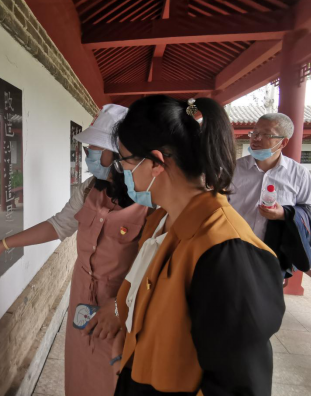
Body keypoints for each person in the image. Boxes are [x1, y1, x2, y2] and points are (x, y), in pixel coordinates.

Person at [100, 95, 285, 395]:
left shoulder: (227, 251)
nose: (123, 172)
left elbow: (237, 384)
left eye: (126, 161)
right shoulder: (161, 222)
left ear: (156, 162)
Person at [0, 104, 149, 396]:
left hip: (119, 310)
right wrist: (3, 244)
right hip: (82, 300)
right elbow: (59, 225)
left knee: (112, 379)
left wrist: (119, 307)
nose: (88, 153)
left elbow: (153, 271)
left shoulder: (149, 202)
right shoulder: (89, 189)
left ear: (116, 154)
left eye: (94, 147)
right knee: (79, 372)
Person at [229, 113, 311, 275]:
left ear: (283, 142)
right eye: (254, 132)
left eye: (266, 134)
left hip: (274, 256)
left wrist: (284, 213)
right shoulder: (233, 169)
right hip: (233, 250)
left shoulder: (299, 174)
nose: (256, 138)